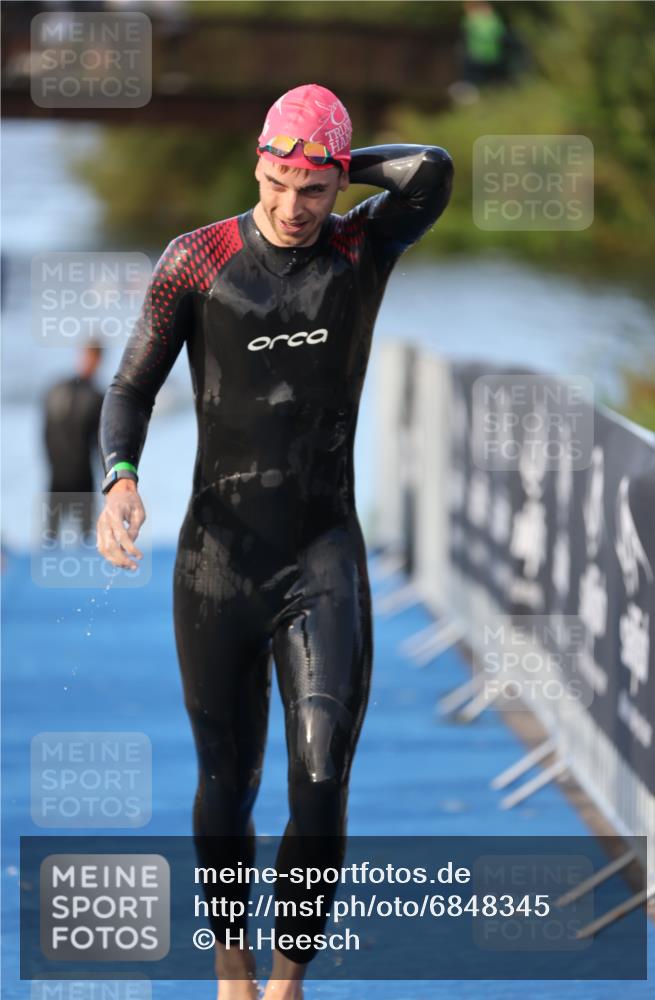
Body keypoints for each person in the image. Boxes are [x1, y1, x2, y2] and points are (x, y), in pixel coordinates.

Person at [96, 83, 453, 999]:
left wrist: (339, 158)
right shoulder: (198, 259)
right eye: (278, 181)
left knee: (321, 763)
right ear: (255, 162)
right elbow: (129, 389)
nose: (294, 208)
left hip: (321, 552)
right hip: (216, 560)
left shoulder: (360, 247)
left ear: (337, 189)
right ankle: (230, 964)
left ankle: (288, 977)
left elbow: (432, 172)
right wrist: (120, 481)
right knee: (229, 779)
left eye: (315, 189)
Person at [43, 339, 104, 541]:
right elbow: (46, 430)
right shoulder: (93, 396)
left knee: (76, 534)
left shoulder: (58, 389)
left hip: (66, 471)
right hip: (69, 472)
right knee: (56, 535)